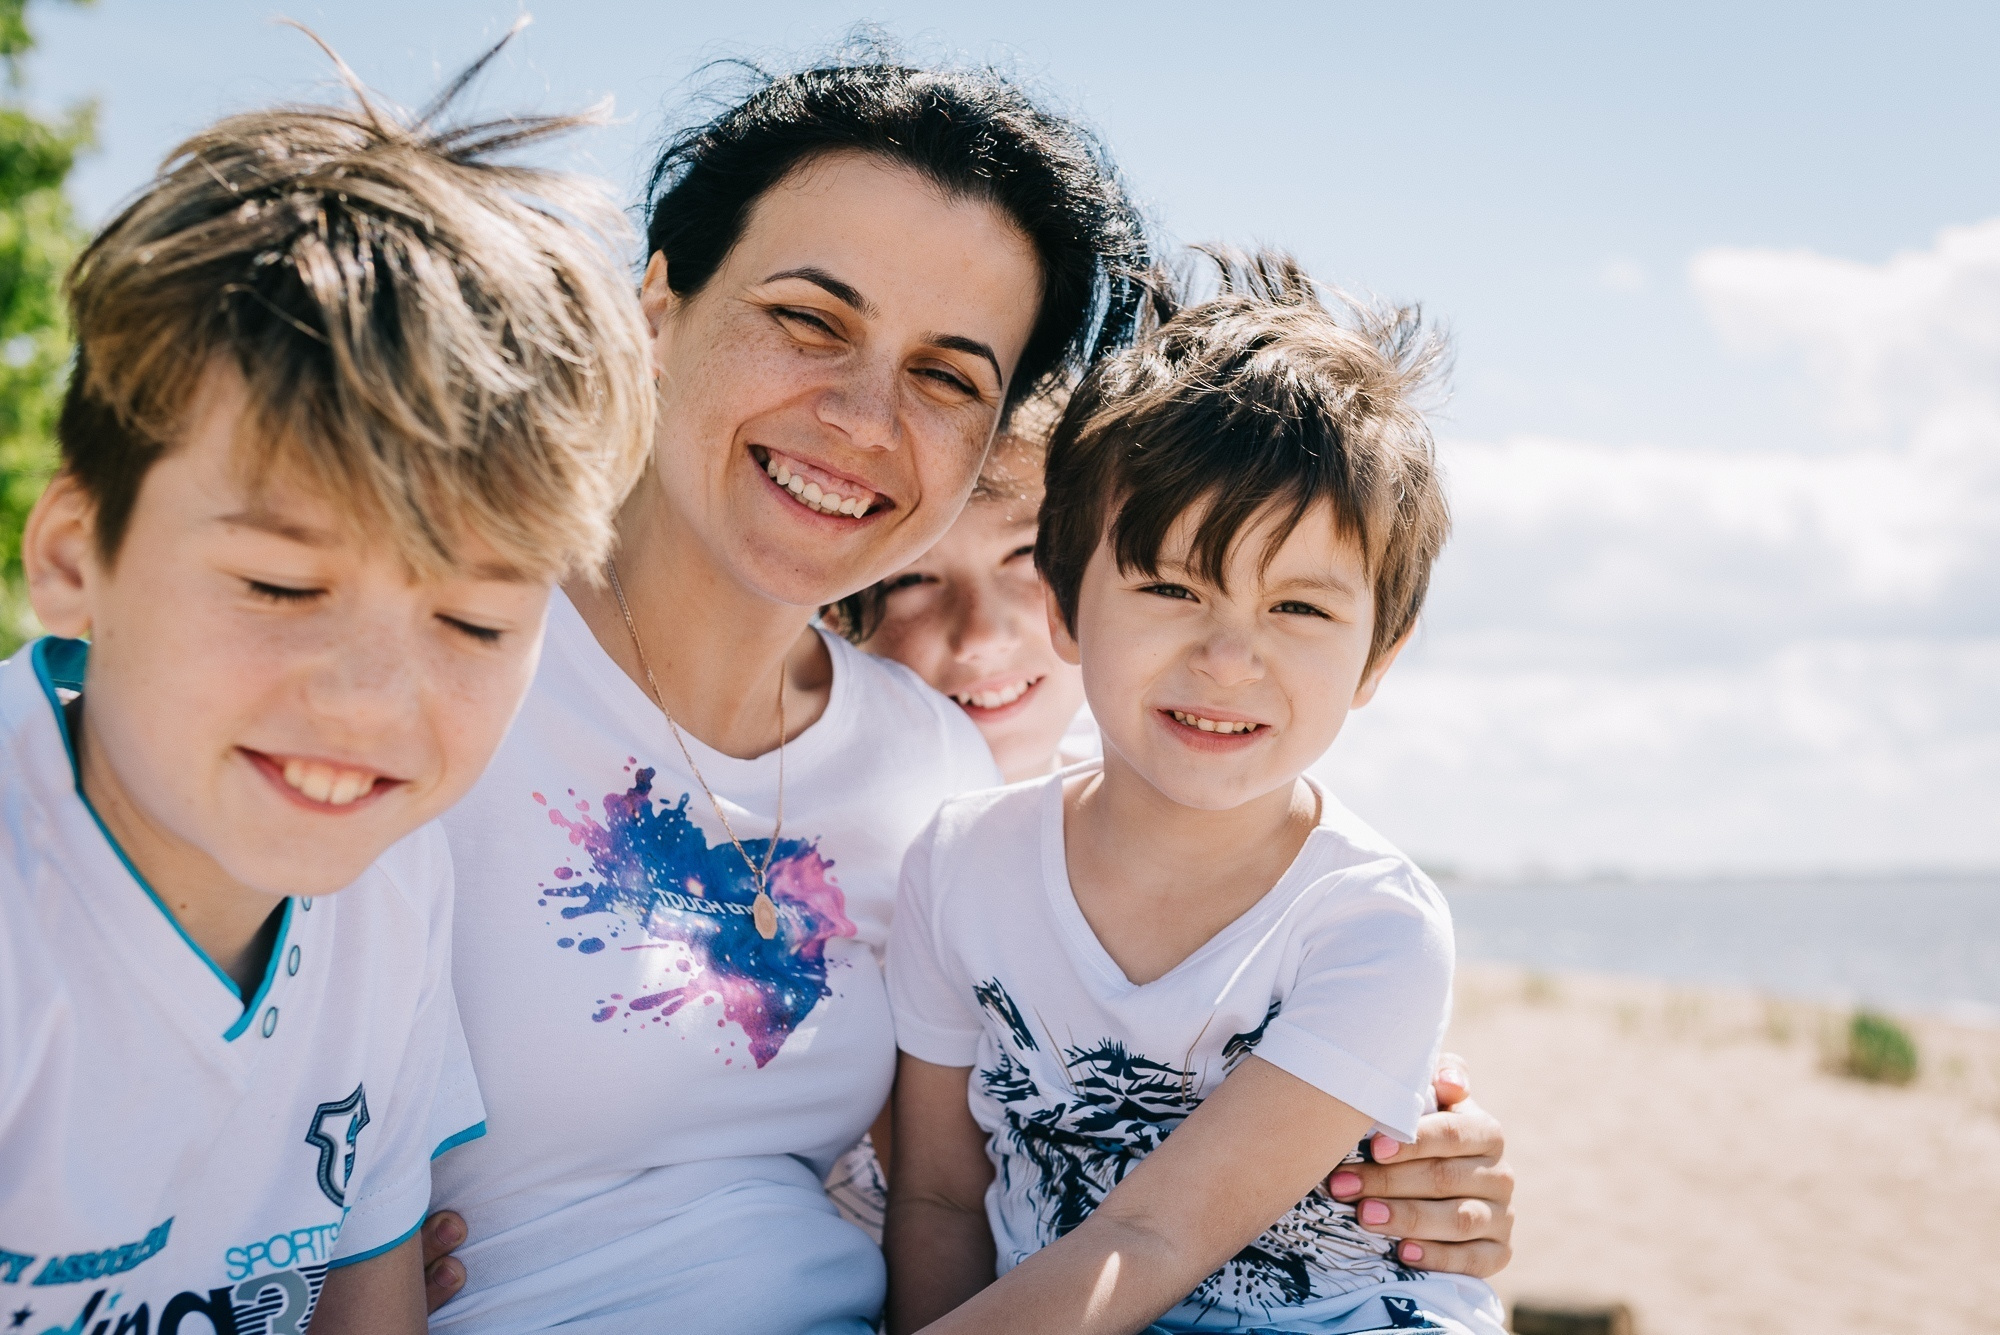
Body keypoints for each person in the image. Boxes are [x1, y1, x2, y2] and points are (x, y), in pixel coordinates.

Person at [418, 57, 1514, 1335]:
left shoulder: (929, 765)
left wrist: (1389, 1170)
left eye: (947, 374)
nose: (860, 415)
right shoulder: (442, 659)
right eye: (809, 319)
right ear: (655, 307)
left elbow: (1011, 1150)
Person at [0, 37, 652, 1335]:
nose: (370, 702)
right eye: (280, 586)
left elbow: (369, 1284)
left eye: (472, 619)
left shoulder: (389, 883)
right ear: (76, 558)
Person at [883, 251, 1505, 1334]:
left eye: (1299, 609)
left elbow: (1152, 1236)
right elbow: (939, 1197)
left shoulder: (1370, 927)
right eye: (1171, 587)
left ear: (1377, 656)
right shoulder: (959, 866)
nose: (1227, 659)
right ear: (1064, 609)